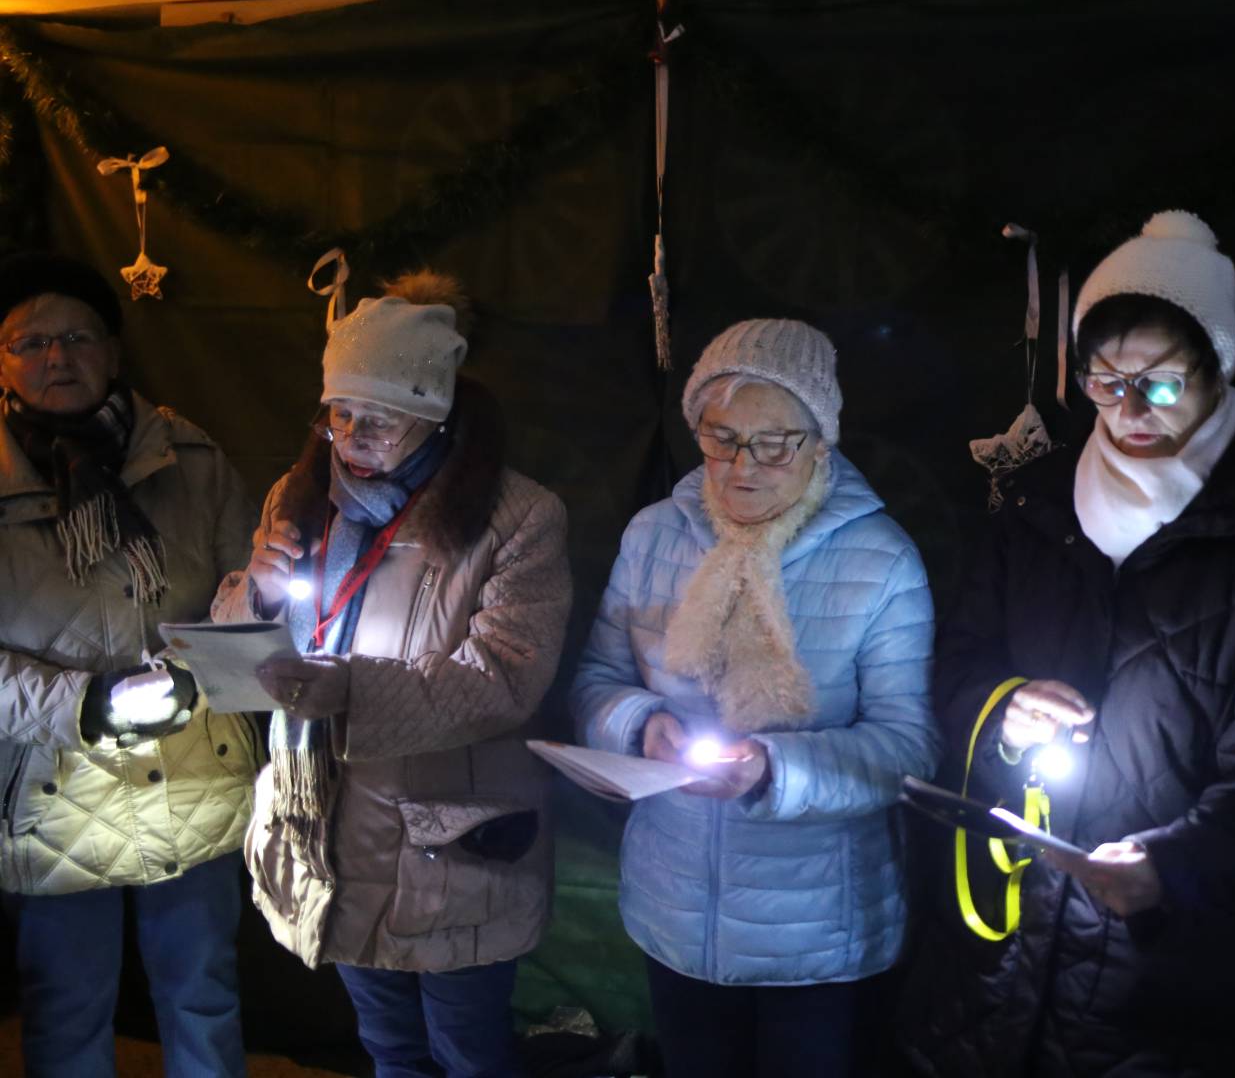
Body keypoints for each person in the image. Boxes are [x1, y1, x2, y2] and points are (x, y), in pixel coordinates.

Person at [898, 212, 1235, 1076]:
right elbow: (956, 663)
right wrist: (1004, 710)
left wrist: (1173, 864)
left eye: (1161, 385)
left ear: (1218, 369)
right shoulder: (1033, 505)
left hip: (1164, 978)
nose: (1129, 410)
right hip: (1002, 946)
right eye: (1105, 383)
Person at [211, 270, 571, 1077]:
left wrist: (354, 690)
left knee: (468, 1053)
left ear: (435, 416)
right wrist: (255, 594)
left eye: (381, 418)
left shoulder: (519, 519)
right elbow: (247, 656)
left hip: (449, 847)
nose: (352, 436)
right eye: (338, 414)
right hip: (332, 832)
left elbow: (507, 677)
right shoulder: (298, 496)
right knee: (388, 1050)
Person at [572, 318, 938, 1078]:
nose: (743, 466)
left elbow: (908, 747)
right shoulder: (652, 537)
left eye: (775, 442)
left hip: (819, 936)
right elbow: (595, 682)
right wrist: (642, 724)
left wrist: (773, 771)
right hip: (675, 913)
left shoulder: (883, 560)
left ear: (819, 440)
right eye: (722, 437)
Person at [0, 252, 256, 1076]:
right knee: (66, 1013)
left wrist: (202, 666)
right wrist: (85, 702)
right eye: (28, 341)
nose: (55, 357)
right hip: (55, 794)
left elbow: (251, 597)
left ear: (112, 349)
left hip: (194, 776)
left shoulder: (192, 458)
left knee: (205, 996)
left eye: (76, 336)